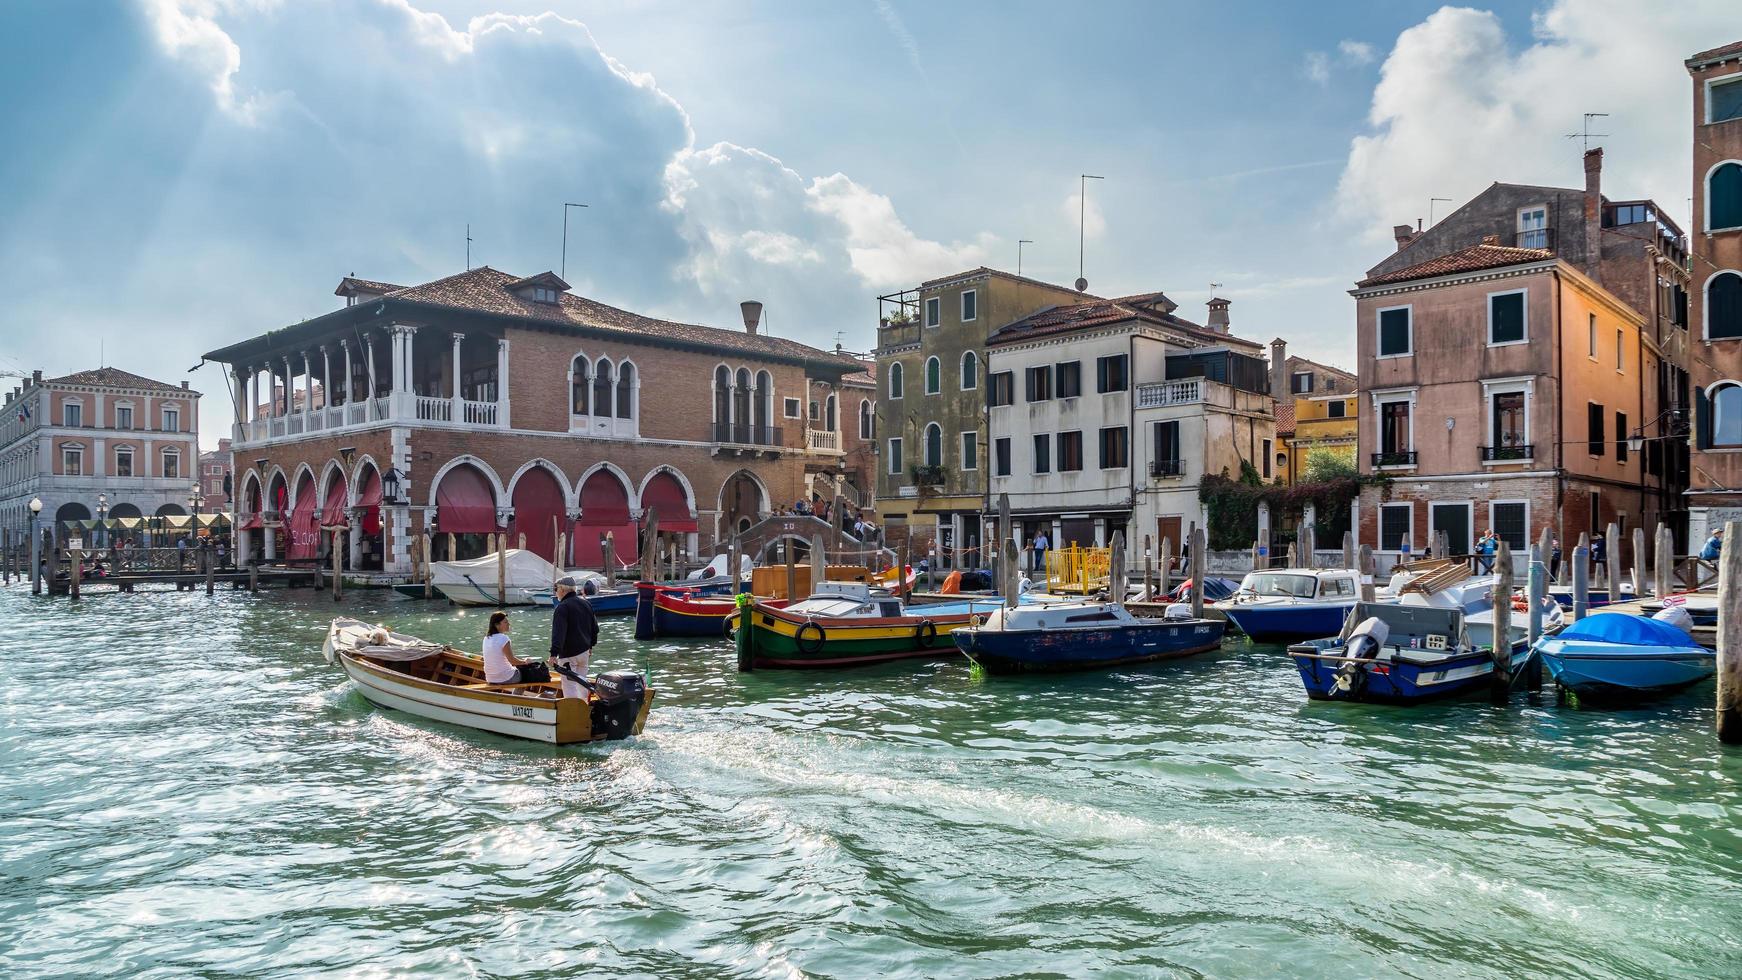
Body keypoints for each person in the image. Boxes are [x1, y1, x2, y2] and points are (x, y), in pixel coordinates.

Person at [549, 575, 601, 699]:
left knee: (569, 686)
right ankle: (583, 707)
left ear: (562, 589)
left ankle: (573, 713)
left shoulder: (562, 607)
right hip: (584, 652)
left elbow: (559, 633)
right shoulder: (586, 603)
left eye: (556, 589)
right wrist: (590, 646)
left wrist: (553, 654)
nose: (556, 592)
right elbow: (595, 628)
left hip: (568, 655)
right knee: (582, 684)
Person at [481, 611, 549, 685]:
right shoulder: (503, 638)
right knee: (529, 670)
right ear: (497, 625)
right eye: (505, 622)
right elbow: (512, 661)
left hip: (490, 678)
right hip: (506, 677)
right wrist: (526, 662)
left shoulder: (486, 638)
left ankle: (516, 695)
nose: (509, 624)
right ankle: (517, 695)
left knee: (522, 670)